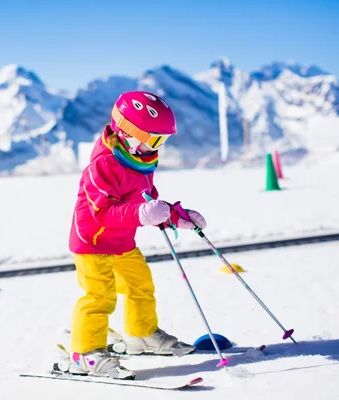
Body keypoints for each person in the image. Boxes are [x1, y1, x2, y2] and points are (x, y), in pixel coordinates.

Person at [60, 91, 208, 378]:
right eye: (154, 139)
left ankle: (140, 334)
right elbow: (102, 212)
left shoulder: (140, 161)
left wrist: (177, 217)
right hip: (92, 242)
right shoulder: (101, 166)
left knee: (140, 285)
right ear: (127, 130)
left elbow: (147, 199)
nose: (157, 146)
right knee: (98, 297)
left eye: (161, 141)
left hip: (122, 241)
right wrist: (141, 214)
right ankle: (85, 353)